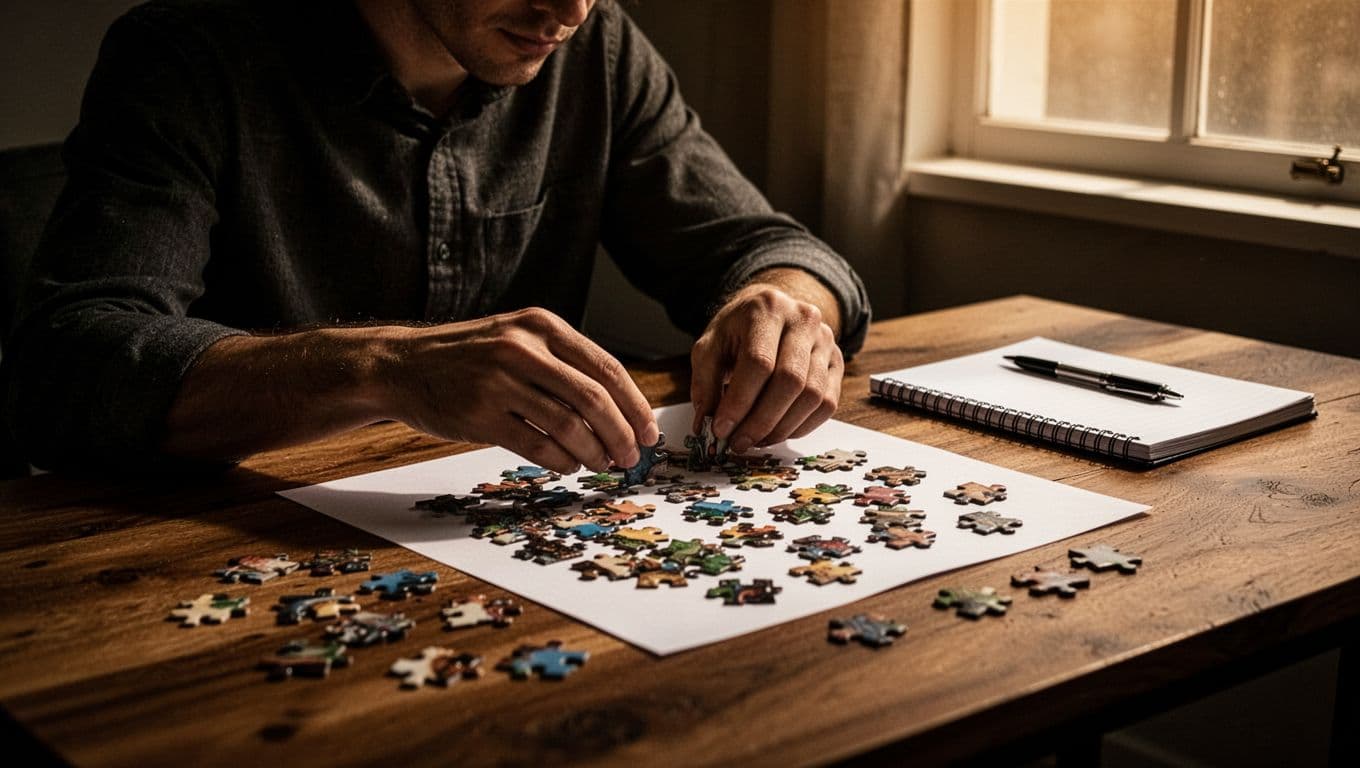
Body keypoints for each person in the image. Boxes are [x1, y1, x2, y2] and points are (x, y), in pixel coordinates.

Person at [2, 0, 870, 475]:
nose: (567, 9)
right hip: (226, 555)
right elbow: (73, 364)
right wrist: (386, 368)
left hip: (512, 551)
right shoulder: (188, 54)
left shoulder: (597, 45)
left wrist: (784, 304)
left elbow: (758, 242)